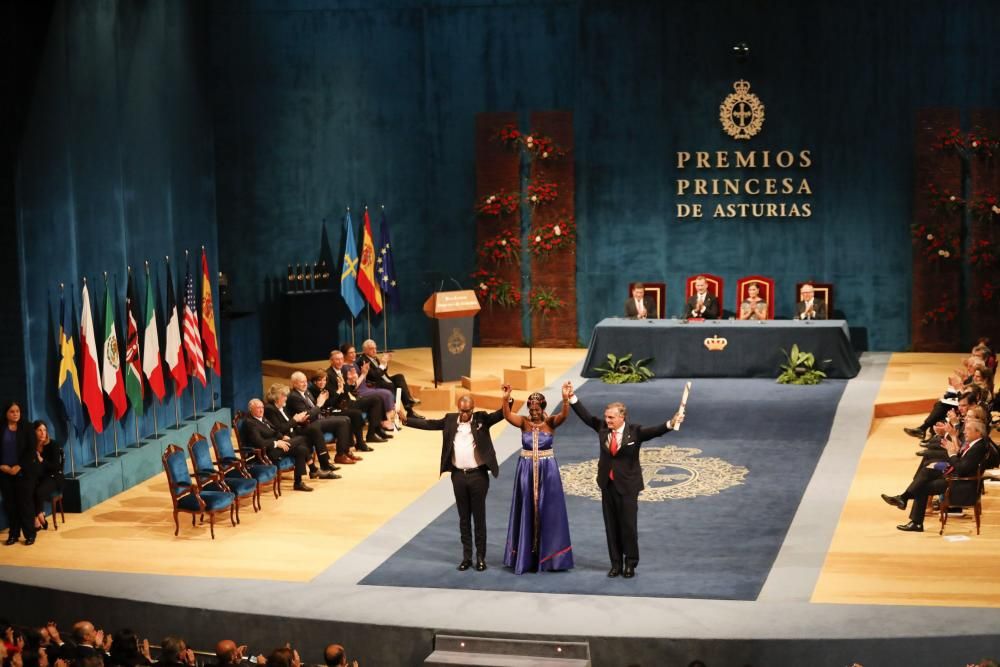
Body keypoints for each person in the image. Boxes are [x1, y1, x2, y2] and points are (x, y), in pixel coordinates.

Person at [566, 382, 684, 578]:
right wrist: (571, 397)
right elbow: (586, 417)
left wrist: (671, 423)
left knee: (628, 526)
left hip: (628, 487)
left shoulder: (635, 432)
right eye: (606, 417)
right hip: (607, 484)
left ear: (622, 417)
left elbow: (655, 431)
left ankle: (630, 563)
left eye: (611, 417)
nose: (607, 420)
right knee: (611, 526)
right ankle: (616, 564)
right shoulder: (603, 428)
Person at [403, 393, 505, 572]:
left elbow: (501, 414)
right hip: (458, 476)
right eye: (461, 410)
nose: (464, 414)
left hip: (478, 476)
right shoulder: (450, 420)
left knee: (479, 518)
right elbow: (429, 424)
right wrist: (406, 420)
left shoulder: (482, 419)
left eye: (467, 411)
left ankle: (480, 557)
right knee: (463, 518)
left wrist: (507, 398)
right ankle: (466, 557)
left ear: (473, 409)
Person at [501, 385, 574, 574]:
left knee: (549, 510)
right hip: (525, 471)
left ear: (543, 408)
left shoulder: (550, 422)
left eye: (537, 409)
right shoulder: (523, 422)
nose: (533, 413)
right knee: (525, 507)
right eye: (531, 409)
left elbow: (564, 416)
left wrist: (565, 399)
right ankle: (525, 556)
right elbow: (508, 416)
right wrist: (506, 398)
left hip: (547, 471)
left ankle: (550, 558)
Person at [882, 419, 992, 531]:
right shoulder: (976, 444)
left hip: (959, 483)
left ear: (978, 433)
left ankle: (910, 511)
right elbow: (962, 463)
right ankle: (904, 502)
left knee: (922, 486)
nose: (964, 432)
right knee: (926, 471)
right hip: (956, 477)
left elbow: (962, 469)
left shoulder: (978, 448)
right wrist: (950, 454)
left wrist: (952, 453)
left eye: (968, 429)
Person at [263, 384, 340, 479]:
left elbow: (290, 423)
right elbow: (279, 429)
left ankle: (320, 465)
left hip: (292, 432)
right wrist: (295, 420)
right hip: (282, 438)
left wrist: (300, 420)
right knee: (303, 440)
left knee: (313, 429)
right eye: (284, 396)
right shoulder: (270, 409)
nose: (286, 398)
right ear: (277, 397)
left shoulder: (283, 407)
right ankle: (314, 470)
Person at [285, 372, 361, 465]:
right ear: (294, 384)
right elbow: (307, 415)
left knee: (346, 419)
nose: (305, 384)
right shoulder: (294, 397)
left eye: (305, 381)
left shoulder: (306, 392)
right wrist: (319, 405)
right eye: (301, 382)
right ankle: (340, 455)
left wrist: (321, 404)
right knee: (342, 421)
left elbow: (317, 407)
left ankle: (345, 451)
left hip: (319, 419)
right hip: (309, 424)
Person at [241, 399, 314, 491]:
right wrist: (276, 443)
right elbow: (259, 443)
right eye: (258, 408)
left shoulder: (263, 418)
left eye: (262, 407)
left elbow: (274, 431)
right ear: (251, 409)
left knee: (301, 450)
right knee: (301, 438)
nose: (261, 410)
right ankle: (312, 468)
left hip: (277, 447)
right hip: (266, 452)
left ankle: (298, 483)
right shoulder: (250, 423)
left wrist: (282, 437)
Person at [1, 401, 36, 546]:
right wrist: (1, 466)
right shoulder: (1, 427)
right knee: (10, 505)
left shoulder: (27, 427)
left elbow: (31, 450)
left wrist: (19, 466)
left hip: (23, 472)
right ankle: (13, 535)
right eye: (12, 411)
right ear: (6, 413)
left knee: (25, 504)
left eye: (18, 411)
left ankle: (29, 534)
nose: (15, 414)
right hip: (4, 472)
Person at [358, 339, 422, 417]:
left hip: (383, 380)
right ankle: (399, 410)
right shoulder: (363, 360)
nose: (375, 351)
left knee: (399, 377)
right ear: (365, 350)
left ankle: (409, 403)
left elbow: (383, 372)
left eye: (375, 348)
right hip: (374, 384)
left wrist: (385, 363)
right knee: (389, 384)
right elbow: (374, 376)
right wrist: (382, 364)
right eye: (372, 349)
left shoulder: (374, 358)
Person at [29, 421, 63, 533]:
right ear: (34, 432)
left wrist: (42, 460)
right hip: (38, 477)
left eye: (44, 430)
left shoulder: (53, 445)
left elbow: (56, 467)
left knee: (38, 492)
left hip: (53, 477)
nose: (42, 433)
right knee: (27, 490)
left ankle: (38, 517)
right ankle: (38, 518)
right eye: (39, 430)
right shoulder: (31, 447)